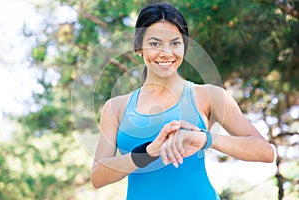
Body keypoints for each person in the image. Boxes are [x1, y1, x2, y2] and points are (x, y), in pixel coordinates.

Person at [90, 2, 274, 200]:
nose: (166, 52)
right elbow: (98, 177)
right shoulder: (116, 107)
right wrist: (149, 152)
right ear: (139, 48)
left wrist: (204, 138)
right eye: (154, 43)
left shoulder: (209, 96)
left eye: (175, 43)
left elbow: (264, 151)